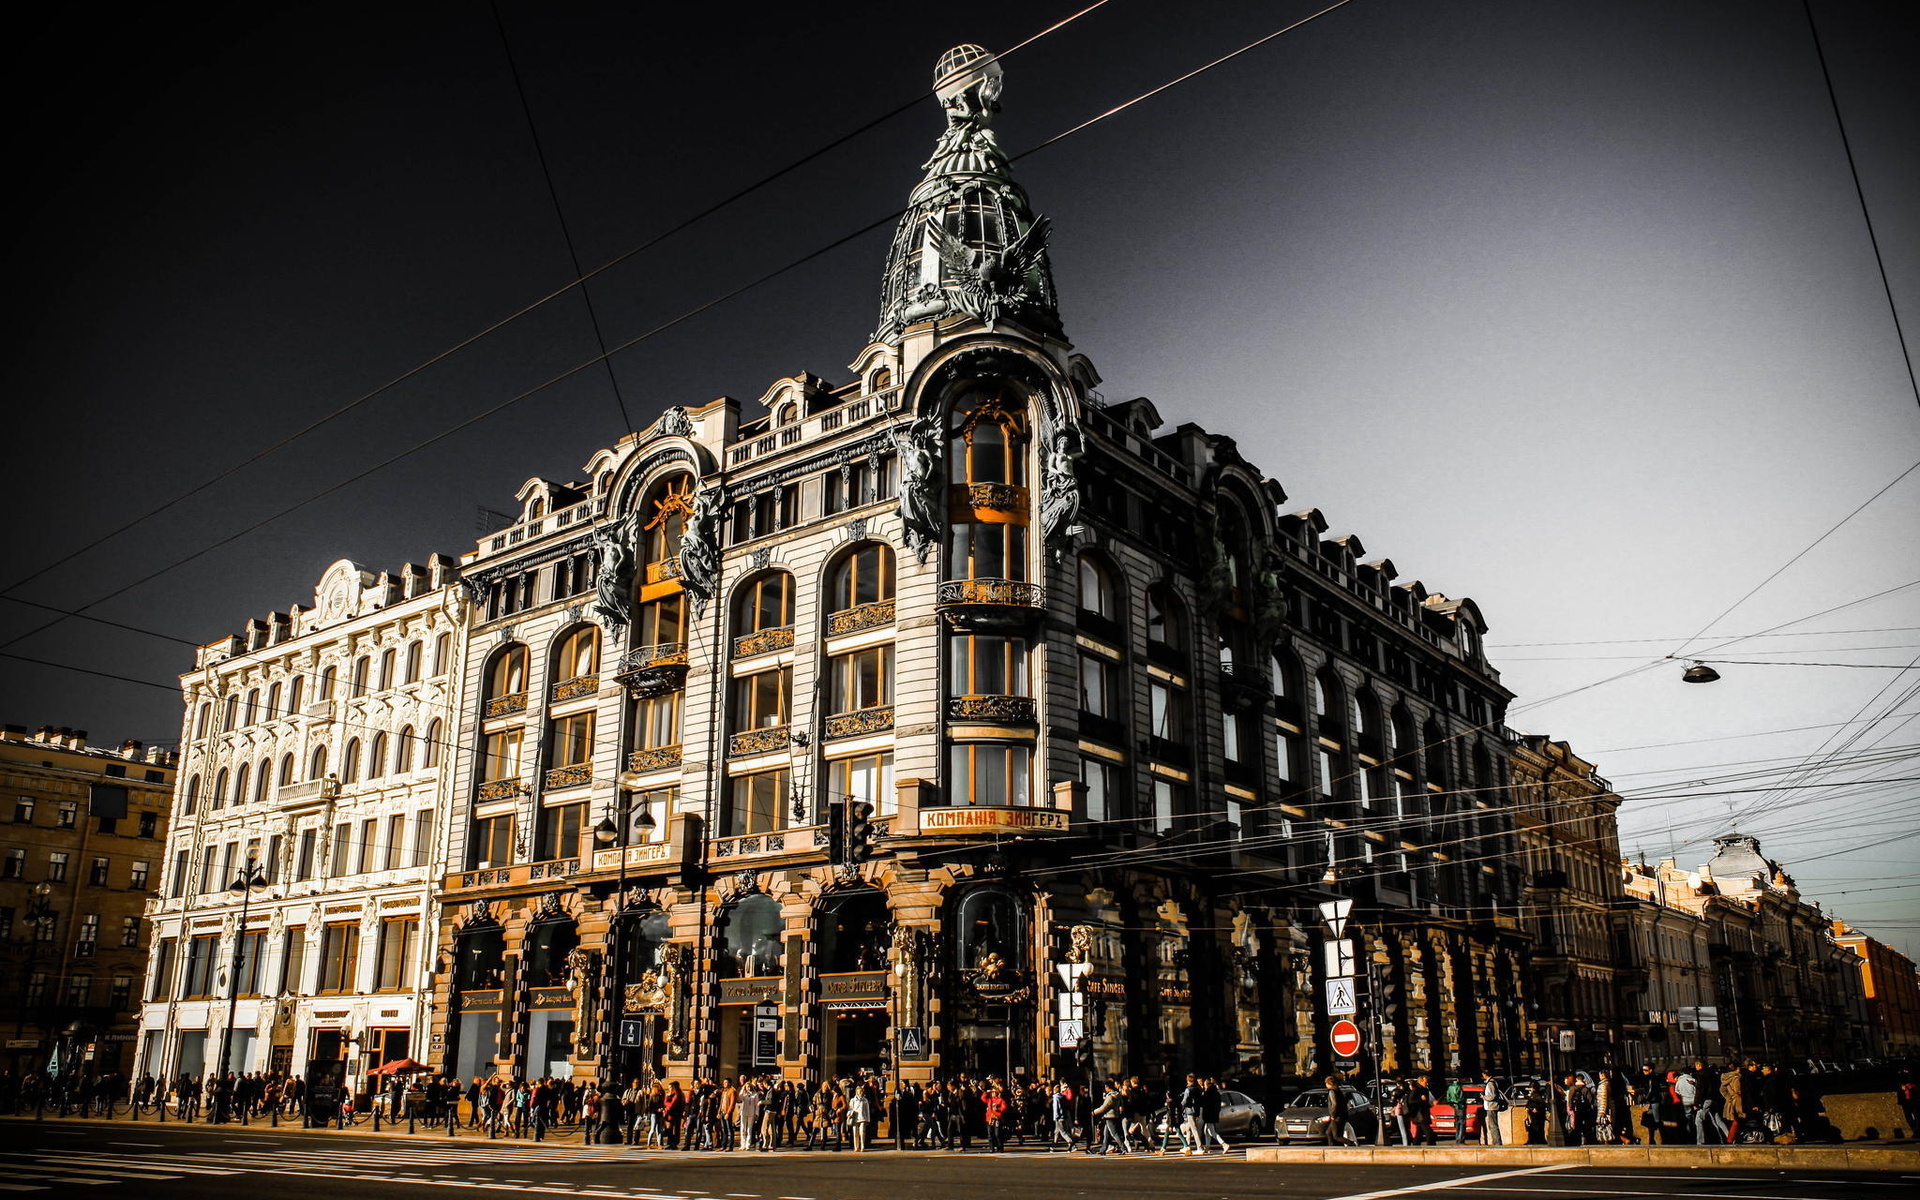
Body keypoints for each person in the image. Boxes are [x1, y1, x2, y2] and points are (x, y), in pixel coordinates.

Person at [1323, 1077, 1351, 1147]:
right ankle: (1332, 1147)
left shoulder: (1332, 1091)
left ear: (1330, 1084)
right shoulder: (1338, 1091)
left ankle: (1351, 1143)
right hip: (1342, 1115)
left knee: (1336, 1136)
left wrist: (1332, 1114)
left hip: (1336, 1116)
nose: (1326, 1085)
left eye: (1326, 1083)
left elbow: (1334, 1104)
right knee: (1328, 1133)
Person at [1480, 1071, 1505, 1146]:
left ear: (1485, 1074)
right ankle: (1496, 1141)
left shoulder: (1490, 1083)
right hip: (1492, 1106)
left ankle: (1497, 1142)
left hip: (1491, 1106)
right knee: (1493, 1125)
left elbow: (1492, 1096)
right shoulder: (1493, 1082)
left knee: (1493, 1125)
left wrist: (1483, 1097)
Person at [847, 1084, 872, 1153]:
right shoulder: (853, 1100)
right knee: (855, 1133)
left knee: (862, 1132)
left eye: (861, 1091)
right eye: (859, 1091)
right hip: (855, 1117)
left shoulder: (865, 1100)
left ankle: (862, 1146)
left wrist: (868, 1119)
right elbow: (850, 1108)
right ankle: (856, 1147)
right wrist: (849, 1114)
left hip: (863, 1117)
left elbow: (867, 1110)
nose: (860, 1092)